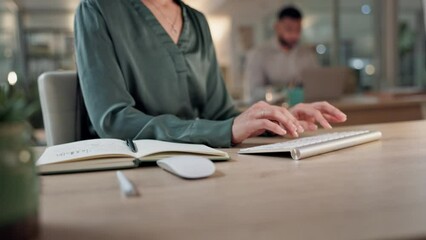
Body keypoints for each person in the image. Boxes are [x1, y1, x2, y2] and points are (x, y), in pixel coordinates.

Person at [74, 0, 347, 148]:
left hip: (196, 161)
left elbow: (221, 114)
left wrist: (274, 119)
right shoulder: (98, 9)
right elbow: (113, 119)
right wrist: (220, 130)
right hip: (128, 169)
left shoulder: (197, 22)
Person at [244, 5, 319, 103]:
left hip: (303, 107)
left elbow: (316, 83)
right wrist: (283, 91)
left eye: (298, 30)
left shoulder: (306, 53)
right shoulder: (259, 54)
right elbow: (253, 92)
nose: (294, 35)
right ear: (277, 27)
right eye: (289, 29)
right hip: (272, 111)